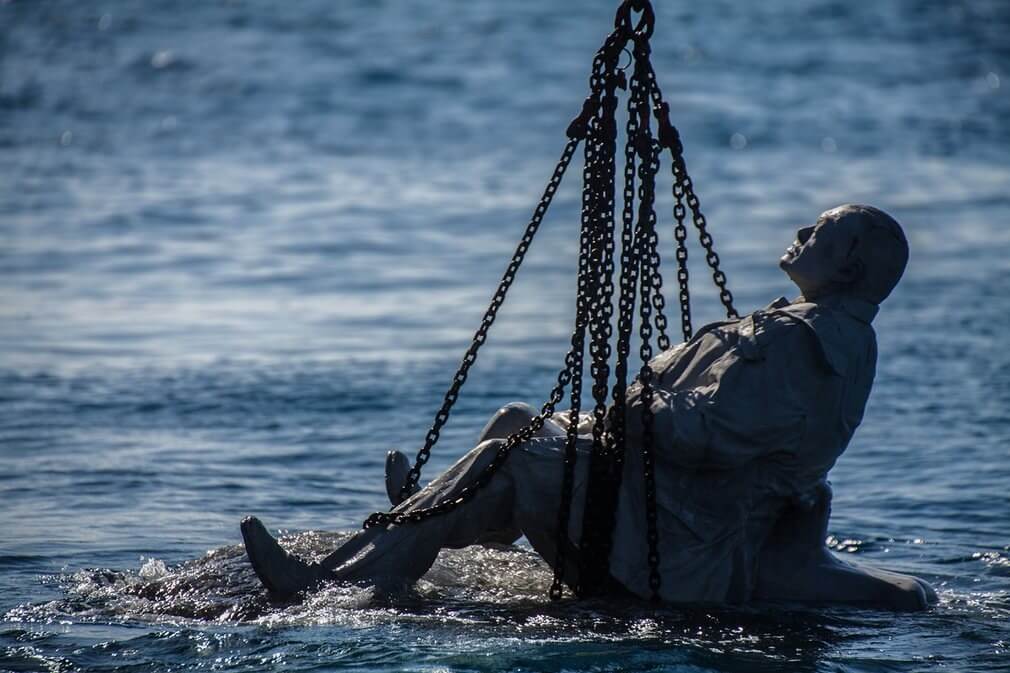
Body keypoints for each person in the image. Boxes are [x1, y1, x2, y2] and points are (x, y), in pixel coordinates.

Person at [240, 204, 937, 610]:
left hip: (681, 535)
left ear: (847, 266)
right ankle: (433, 513)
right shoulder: (818, 336)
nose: (802, 230)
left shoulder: (807, 346)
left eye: (820, 229)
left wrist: (640, 410)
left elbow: (715, 433)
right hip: (674, 499)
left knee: (507, 456)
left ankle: (334, 583)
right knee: (519, 420)